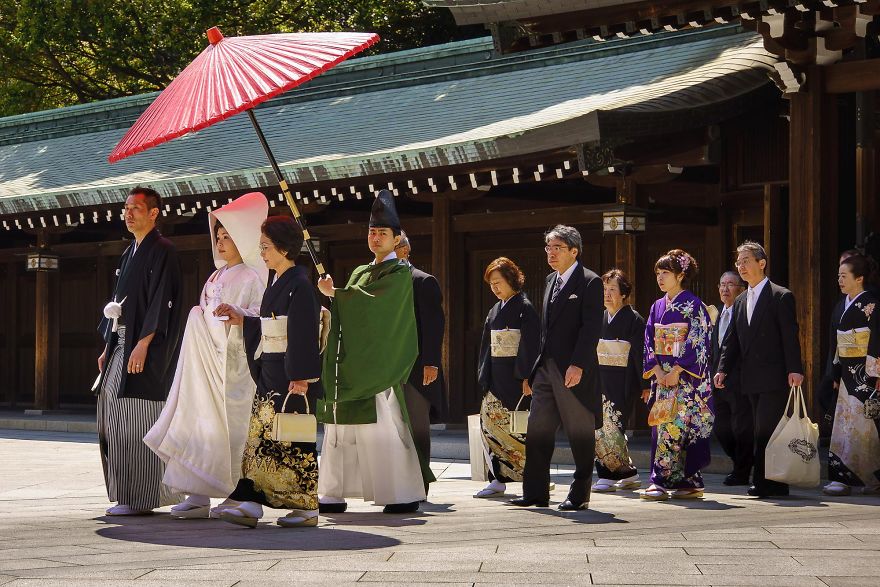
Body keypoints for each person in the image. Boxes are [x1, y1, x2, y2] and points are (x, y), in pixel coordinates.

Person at [144, 193, 267, 519]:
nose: (222, 242)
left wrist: (237, 313)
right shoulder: (215, 276)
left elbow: (257, 315)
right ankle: (198, 493)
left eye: (228, 236)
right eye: (219, 236)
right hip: (205, 361)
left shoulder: (252, 277)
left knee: (232, 430)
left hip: (233, 365)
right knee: (198, 422)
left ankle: (234, 491)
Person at [316, 190, 433, 514]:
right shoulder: (359, 273)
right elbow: (350, 307)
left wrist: (336, 293)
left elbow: (373, 308)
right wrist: (336, 297)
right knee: (341, 430)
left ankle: (400, 493)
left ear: (396, 239)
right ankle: (332, 491)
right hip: (352, 365)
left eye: (383, 233)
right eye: (372, 232)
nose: (376, 237)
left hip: (378, 368)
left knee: (384, 427)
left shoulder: (398, 275)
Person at [212, 216, 323, 528]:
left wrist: (301, 376)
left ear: (285, 249)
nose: (261, 252)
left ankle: (303, 506)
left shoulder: (300, 283)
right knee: (263, 438)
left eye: (266, 247)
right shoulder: (278, 281)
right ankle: (253, 502)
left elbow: (302, 332)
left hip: (290, 374)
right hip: (272, 369)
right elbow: (266, 324)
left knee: (291, 439)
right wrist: (243, 320)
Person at [95, 186, 184, 515]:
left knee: (134, 418)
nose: (128, 213)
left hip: (144, 348)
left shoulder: (164, 250)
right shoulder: (127, 253)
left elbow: (163, 301)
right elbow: (118, 306)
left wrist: (145, 343)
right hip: (121, 345)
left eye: (136, 208)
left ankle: (142, 497)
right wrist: (109, 345)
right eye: (126, 208)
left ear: (154, 213)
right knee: (111, 417)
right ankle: (126, 494)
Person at [510, 225, 603, 511]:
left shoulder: (590, 281)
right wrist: (532, 369)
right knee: (538, 429)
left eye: (558, 248)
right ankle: (535, 492)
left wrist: (578, 364)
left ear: (574, 251)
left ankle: (580, 493)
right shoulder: (551, 280)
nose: (551, 253)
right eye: (548, 247)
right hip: (546, 367)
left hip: (573, 368)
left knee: (579, 431)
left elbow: (591, 329)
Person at [716, 241, 804, 498]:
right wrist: (723, 368)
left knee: (768, 429)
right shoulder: (741, 299)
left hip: (775, 376)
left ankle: (768, 482)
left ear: (761, 263)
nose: (741, 266)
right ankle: (772, 482)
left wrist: (795, 369)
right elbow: (731, 339)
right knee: (758, 429)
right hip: (750, 377)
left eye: (746, 261)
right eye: (738, 262)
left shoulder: (780, 295)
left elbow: (790, 336)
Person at [641, 250, 714, 500]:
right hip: (663, 378)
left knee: (682, 426)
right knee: (664, 426)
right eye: (658, 273)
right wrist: (658, 369)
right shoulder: (656, 306)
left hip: (686, 380)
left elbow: (699, 341)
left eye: (666, 273)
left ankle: (680, 480)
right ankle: (668, 480)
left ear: (681, 275)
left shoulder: (694, 305)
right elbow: (649, 341)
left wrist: (680, 368)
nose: (660, 278)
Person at [474, 257, 540, 498]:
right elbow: (486, 347)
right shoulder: (494, 310)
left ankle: (528, 477)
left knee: (519, 429)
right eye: (491, 283)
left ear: (512, 279)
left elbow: (531, 345)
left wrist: (526, 376)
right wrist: (484, 375)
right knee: (489, 427)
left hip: (516, 379)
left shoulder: (525, 308)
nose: (495, 287)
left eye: (498, 282)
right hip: (496, 377)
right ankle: (496, 478)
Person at [823, 254, 880, 496]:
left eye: (844, 276)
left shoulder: (873, 304)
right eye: (838, 276)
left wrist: (876, 373)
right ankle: (841, 477)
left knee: (867, 425)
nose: (839, 280)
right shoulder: (841, 305)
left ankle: (872, 478)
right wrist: (833, 372)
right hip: (846, 372)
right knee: (844, 425)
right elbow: (834, 344)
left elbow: (877, 339)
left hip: (866, 374)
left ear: (860, 278)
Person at [395, 231, 445, 492]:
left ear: (405, 250)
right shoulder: (383, 281)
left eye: (395, 247)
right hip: (389, 367)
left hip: (416, 366)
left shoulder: (423, 281)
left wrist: (431, 362)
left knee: (416, 424)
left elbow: (434, 324)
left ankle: (420, 482)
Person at [592, 269, 647, 493]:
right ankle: (627, 473)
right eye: (604, 290)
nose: (607, 294)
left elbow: (639, 355)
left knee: (613, 426)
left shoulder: (634, 320)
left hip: (623, 380)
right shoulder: (599, 317)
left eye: (612, 289)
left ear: (624, 294)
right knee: (598, 427)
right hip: (600, 378)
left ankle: (608, 474)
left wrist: (644, 384)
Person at [710, 270, 753, 487]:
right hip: (717, 382)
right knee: (721, 428)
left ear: (741, 289)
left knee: (741, 427)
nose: (725, 289)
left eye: (730, 284)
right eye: (722, 284)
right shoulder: (716, 313)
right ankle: (742, 462)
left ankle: (741, 471)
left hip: (739, 380)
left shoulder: (744, 312)